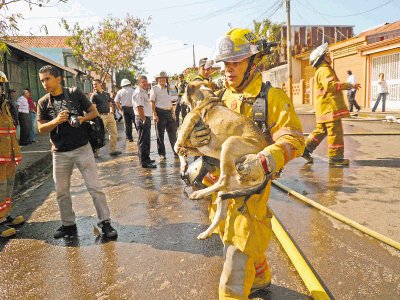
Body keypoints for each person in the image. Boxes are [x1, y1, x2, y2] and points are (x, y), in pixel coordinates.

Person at [189, 28, 305, 299]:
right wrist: (199, 141)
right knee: (230, 233)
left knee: (236, 258)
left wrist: (266, 159)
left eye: (236, 63)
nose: (229, 70)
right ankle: (261, 276)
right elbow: (210, 139)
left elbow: (294, 139)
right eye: (226, 63)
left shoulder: (272, 98)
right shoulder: (221, 99)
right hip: (221, 187)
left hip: (251, 190)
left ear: (254, 62)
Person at [36, 65, 118, 239]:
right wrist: (57, 120)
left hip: (82, 148)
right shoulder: (43, 102)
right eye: (42, 80)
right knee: (61, 192)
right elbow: (41, 129)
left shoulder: (75, 93)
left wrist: (82, 118)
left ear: (58, 79)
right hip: (59, 152)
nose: (45, 83)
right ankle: (68, 225)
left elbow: (93, 112)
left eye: (47, 79)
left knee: (95, 188)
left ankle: (105, 223)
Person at [302, 43, 360, 166]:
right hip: (330, 108)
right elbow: (330, 86)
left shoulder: (320, 70)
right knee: (335, 132)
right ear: (322, 58)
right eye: (326, 54)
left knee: (320, 131)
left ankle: (305, 150)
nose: (329, 56)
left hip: (324, 108)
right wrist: (349, 85)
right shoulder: (325, 69)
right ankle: (336, 158)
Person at [0, 71, 24, 238]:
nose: (1, 89)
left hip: (9, 154)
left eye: (1, 86)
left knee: (8, 186)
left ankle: (5, 214)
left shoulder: (4, 104)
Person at [150, 71, 177, 160]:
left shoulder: (169, 88)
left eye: (164, 78)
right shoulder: (154, 89)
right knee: (160, 135)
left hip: (169, 113)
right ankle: (162, 153)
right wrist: (154, 114)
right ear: (157, 80)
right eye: (160, 78)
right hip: (159, 113)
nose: (162, 80)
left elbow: (171, 101)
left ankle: (176, 151)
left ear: (166, 79)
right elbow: (152, 103)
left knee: (173, 134)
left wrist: (173, 113)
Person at [90, 79, 122, 157]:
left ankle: (113, 150)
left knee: (114, 133)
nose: (94, 86)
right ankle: (95, 152)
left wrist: (111, 112)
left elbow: (111, 104)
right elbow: (93, 108)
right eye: (93, 85)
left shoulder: (106, 94)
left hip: (109, 116)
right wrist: (98, 118)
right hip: (101, 117)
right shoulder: (94, 95)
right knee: (98, 135)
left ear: (100, 84)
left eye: (96, 84)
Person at [132, 75, 156, 169]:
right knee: (143, 141)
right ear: (138, 83)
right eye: (143, 82)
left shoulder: (142, 91)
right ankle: (144, 162)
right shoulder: (139, 92)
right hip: (142, 118)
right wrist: (144, 119)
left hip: (145, 118)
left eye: (146, 81)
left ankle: (146, 158)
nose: (145, 83)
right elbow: (139, 108)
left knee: (146, 140)